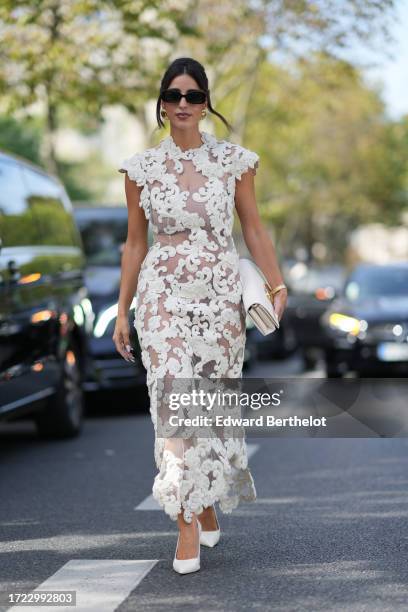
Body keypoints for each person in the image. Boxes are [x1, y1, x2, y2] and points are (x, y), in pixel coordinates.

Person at [113, 57, 287, 574]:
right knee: (172, 399)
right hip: (161, 293)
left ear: (206, 102)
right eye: (173, 95)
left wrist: (276, 283)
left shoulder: (236, 163)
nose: (182, 104)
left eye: (192, 95)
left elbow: (252, 228)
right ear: (162, 104)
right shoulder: (140, 170)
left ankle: (206, 499)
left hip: (218, 297)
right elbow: (133, 244)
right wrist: (123, 312)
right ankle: (187, 521)